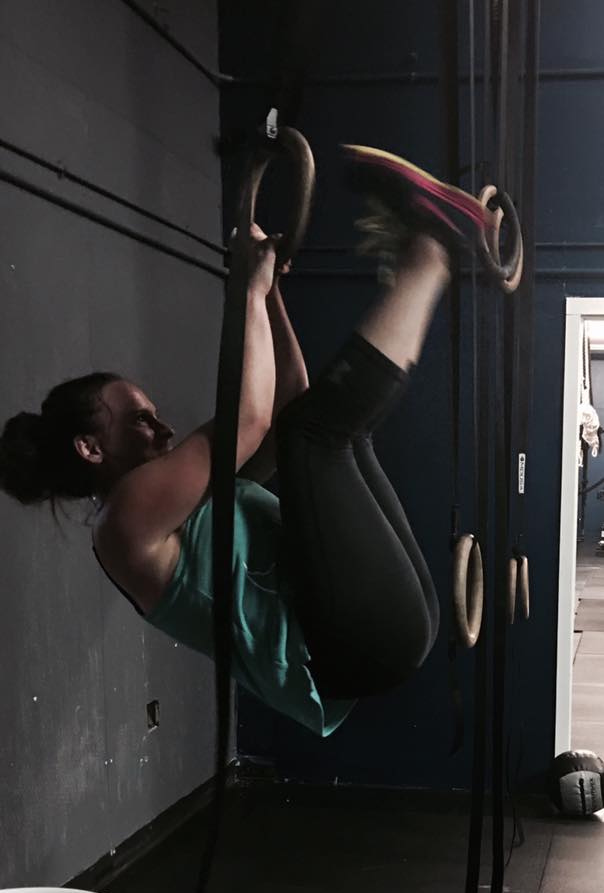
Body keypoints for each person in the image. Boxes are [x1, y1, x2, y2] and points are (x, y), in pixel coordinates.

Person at [0, 146, 482, 737]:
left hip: (388, 616)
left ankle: (433, 251)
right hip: (357, 642)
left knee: (325, 429)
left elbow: (291, 402)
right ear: (90, 448)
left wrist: (270, 290)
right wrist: (246, 293)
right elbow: (251, 422)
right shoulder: (123, 527)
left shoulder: (185, 511)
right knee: (317, 433)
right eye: (138, 420)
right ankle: (433, 251)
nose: (163, 428)